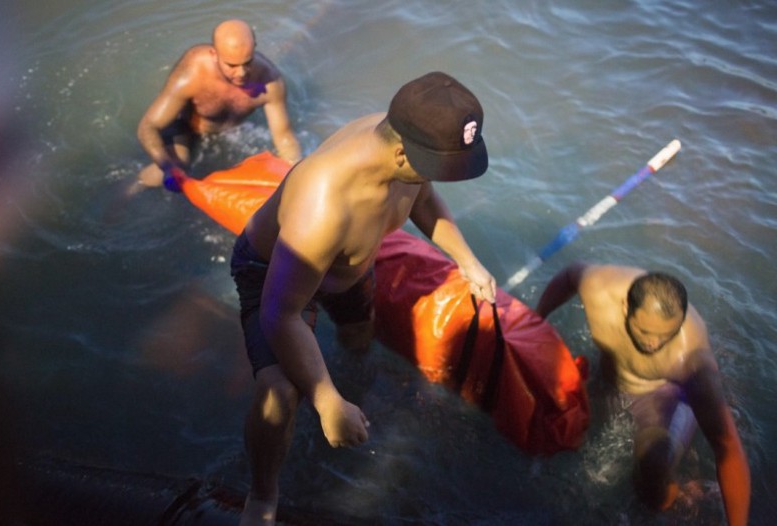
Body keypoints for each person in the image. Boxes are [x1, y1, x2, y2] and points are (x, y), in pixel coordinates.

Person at [230, 71, 497, 525]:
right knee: (281, 391)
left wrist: (468, 261)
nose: (444, 178)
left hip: (349, 267)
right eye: (440, 165)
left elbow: (424, 198)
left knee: (359, 336)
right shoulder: (326, 202)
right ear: (400, 153)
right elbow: (281, 314)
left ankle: (349, 382)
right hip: (277, 274)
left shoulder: (406, 138)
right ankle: (262, 494)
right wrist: (326, 400)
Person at [535, 262, 750, 525]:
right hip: (608, 381)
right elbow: (569, 276)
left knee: (652, 472)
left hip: (662, 397)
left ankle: (677, 489)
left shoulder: (691, 361)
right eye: (645, 332)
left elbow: (727, 446)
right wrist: (536, 319)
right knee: (547, 428)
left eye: (666, 335)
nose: (653, 344)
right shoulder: (600, 288)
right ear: (626, 307)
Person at [136, 19, 301, 189]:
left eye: (248, 62)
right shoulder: (193, 74)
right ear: (214, 55)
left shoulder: (269, 81)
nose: (241, 73)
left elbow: (284, 137)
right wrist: (167, 167)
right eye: (231, 65)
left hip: (225, 132)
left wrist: (295, 175)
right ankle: (126, 193)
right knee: (177, 165)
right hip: (185, 128)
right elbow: (148, 127)